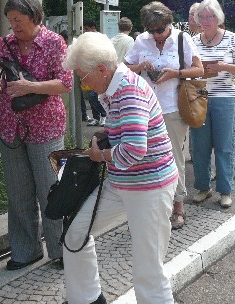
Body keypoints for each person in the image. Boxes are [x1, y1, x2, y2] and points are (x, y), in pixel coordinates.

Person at [63, 32, 179, 304]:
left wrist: (100, 155)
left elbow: (134, 150)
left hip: (150, 186)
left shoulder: (128, 90)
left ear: (102, 69)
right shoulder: (114, 88)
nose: (83, 85)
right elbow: (129, 135)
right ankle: (87, 299)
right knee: (75, 233)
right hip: (123, 181)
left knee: (148, 269)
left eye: (84, 78)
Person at [0, 0, 72, 270]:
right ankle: (26, 251)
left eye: (18, 19)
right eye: (10, 20)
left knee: (50, 189)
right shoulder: (5, 44)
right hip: (10, 125)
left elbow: (65, 83)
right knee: (18, 192)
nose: (14, 25)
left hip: (46, 126)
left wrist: (31, 87)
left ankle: (61, 250)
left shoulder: (54, 42)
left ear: (34, 16)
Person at [124, 2, 203, 230]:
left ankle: (178, 206)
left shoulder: (182, 39)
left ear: (169, 23)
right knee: (145, 156)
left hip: (172, 107)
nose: (156, 35)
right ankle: (152, 205)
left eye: (160, 30)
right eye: (152, 31)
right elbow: (124, 68)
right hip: (145, 108)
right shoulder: (141, 41)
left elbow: (199, 70)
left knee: (174, 156)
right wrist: (140, 66)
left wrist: (175, 73)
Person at [191, 0, 235, 208]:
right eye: (202, 16)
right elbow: (186, 67)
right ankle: (203, 187)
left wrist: (223, 67)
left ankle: (225, 190)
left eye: (210, 16)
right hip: (199, 97)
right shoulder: (193, 41)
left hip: (224, 97)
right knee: (200, 146)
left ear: (219, 18)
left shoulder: (232, 38)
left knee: (224, 145)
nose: (206, 20)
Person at [82, 19, 107, 127]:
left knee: (97, 96)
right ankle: (96, 117)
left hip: (99, 71)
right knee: (92, 96)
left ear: (93, 28)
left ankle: (104, 116)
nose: (85, 31)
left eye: (86, 29)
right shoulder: (87, 40)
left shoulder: (100, 38)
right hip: (90, 70)